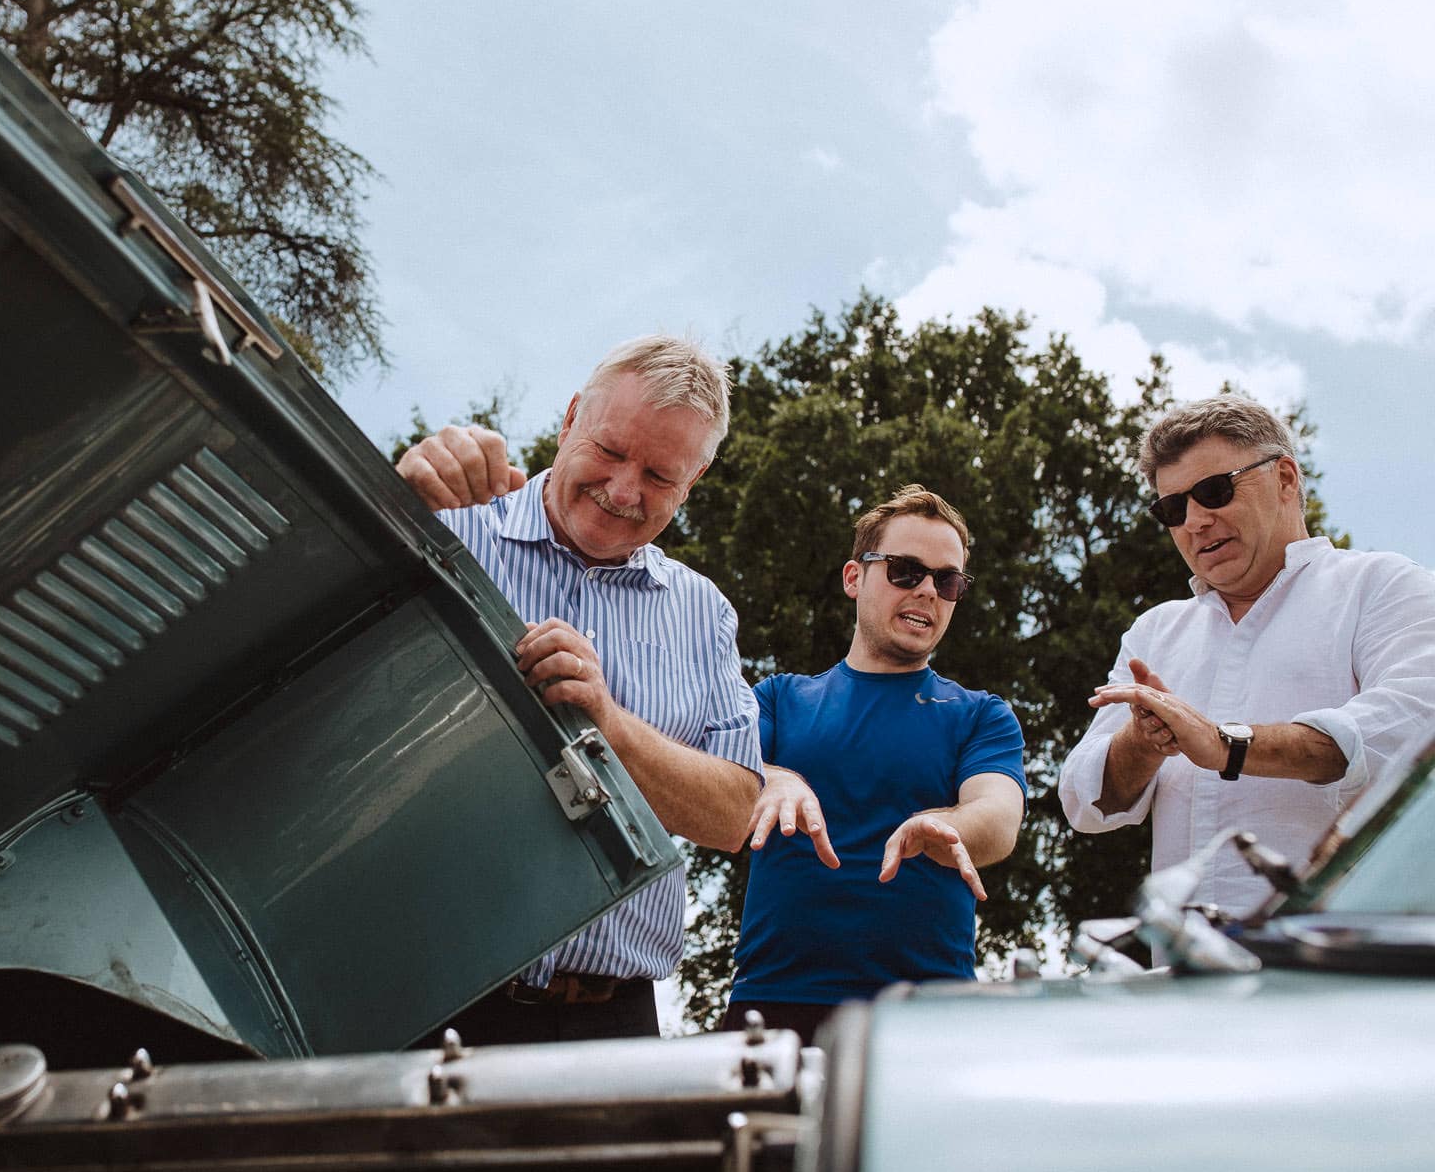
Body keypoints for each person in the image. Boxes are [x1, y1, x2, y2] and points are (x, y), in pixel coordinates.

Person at [395, 334, 764, 1043]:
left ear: (697, 480)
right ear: (569, 420)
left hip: (612, 1022)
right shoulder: (445, 523)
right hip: (423, 999)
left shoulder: (703, 610)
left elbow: (734, 815)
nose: (624, 491)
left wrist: (608, 725)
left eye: (661, 476)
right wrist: (383, 501)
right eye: (611, 450)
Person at [1059, 396, 1435, 913]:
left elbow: (1412, 731)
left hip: (1347, 971)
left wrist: (1228, 746)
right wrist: (1143, 743)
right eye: (1173, 509)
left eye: (1214, 491)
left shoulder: (1382, 586)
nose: (1194, 521)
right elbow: (1086, 801)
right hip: (1190, 972)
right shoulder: (1155, 632)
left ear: (1285, 479)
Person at [724, 486, 1027, 1045]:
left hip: (931, 1013)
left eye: (948, 580)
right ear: (854, 577)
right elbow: (721, 788)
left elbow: (998, 816)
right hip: (777, 1004)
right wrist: (773, 775)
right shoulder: (777, 700)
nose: (929, 591)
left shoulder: (982, 715)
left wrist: (947, 827)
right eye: (907, 571)